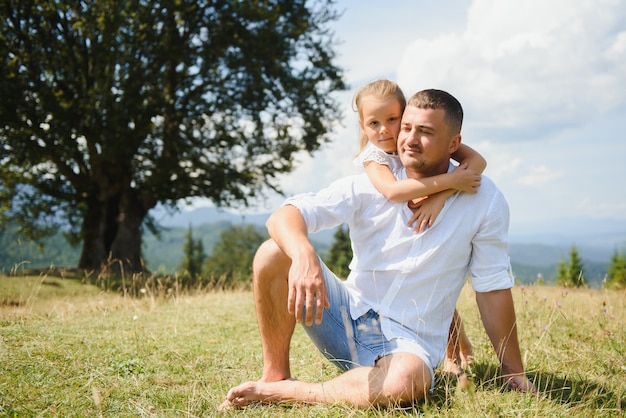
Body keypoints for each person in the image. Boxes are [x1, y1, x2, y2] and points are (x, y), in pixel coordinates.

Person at [220, 88, 536, 409]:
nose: (410, 139)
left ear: (454, 144)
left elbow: (492, 286)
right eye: (407, 127)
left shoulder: (483, 199)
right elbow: (284, 216)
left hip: (408, 345)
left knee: (406, 380)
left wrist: (513, 371)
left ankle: (289, 392)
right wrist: (304, 254)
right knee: (274, 252)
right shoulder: (372, 179)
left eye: (426, 132)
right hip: (344, 317)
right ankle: (274, 376)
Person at [353, 79, 482, 374]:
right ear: (363, 126)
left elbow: (477, 160)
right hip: (390, 232)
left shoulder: (412, 138)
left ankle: (458, 353)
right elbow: (393, 192)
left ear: (405, 114)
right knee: (425, 295)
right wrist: (451, 181)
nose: (385, 130)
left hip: (421, 216)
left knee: (436, 291)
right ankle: (453, 353)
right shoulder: (372, 157)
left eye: (392, 120)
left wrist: (440, 197)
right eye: (374, 123)